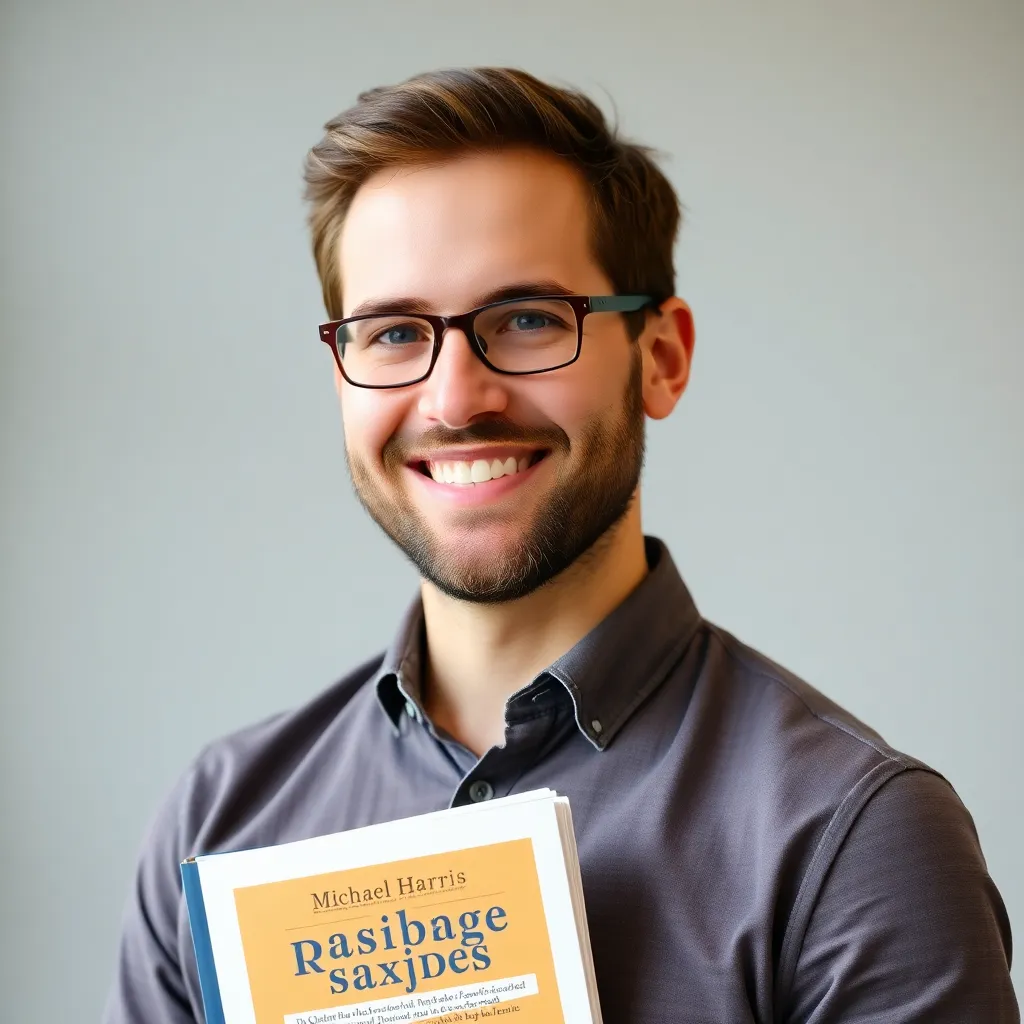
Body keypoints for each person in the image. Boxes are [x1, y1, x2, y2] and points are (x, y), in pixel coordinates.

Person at [104, 67, 1017, 1023]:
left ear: (660, 358)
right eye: (392, 333)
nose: (455, 401)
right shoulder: (218, 825)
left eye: (530, 320)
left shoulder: (856, 835)